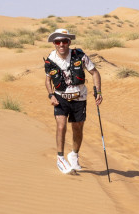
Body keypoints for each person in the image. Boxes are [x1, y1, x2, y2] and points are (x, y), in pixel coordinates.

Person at [44, 28, 103, 174]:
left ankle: (74, 154)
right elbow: (47, 80)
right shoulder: (50, 60)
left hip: (79, 98)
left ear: (69, 42)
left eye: (64, 41)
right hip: (60, 98)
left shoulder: (80, 56)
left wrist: (98, 91)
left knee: (77, 128)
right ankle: (60, 157)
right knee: (61, 126)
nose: (61, 44)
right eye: (58, 42)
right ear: (54, 44)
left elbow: (94, 73)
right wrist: (51, 95)